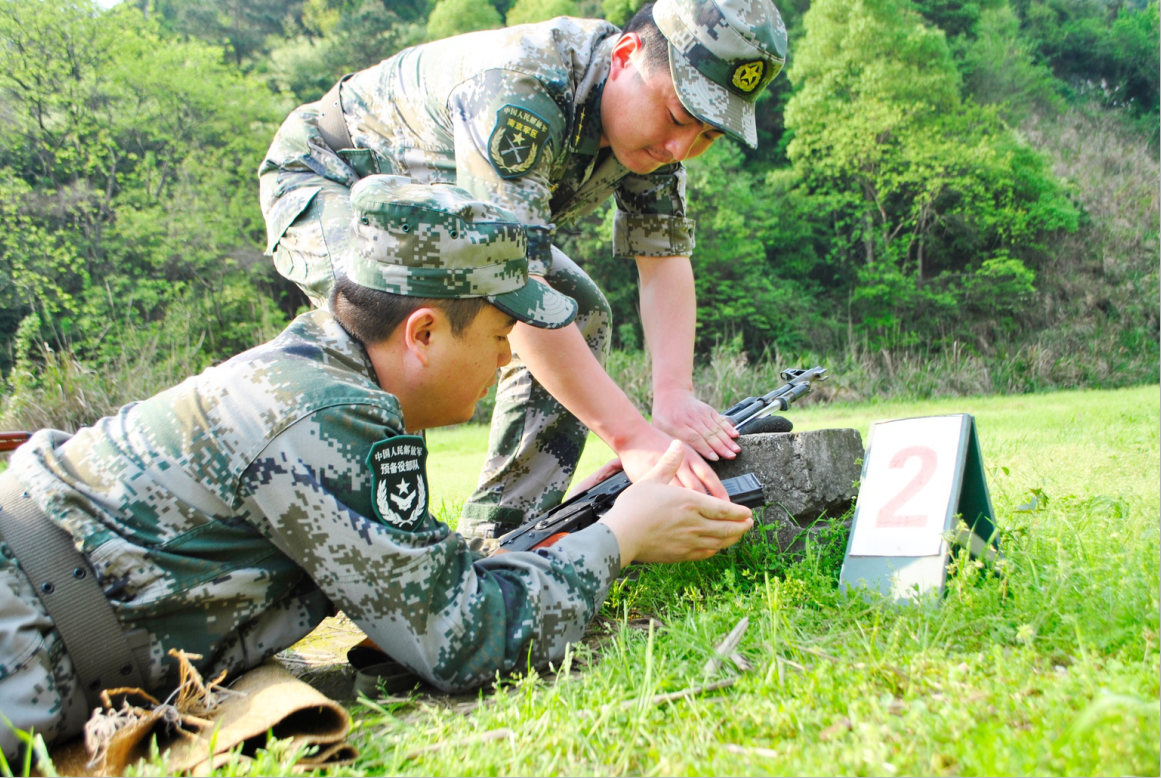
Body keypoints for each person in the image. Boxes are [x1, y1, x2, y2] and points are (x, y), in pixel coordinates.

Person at [0, 177, 754, 762]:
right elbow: (463, 638)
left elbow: (430, 579)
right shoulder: (326, 414)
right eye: (498, 338)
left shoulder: (322, 380)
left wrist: (585, 518)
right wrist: (621, 536)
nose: (504, 364)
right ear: (423, 333)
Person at [258, 0, 788, 543]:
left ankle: (503, 543)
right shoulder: (523, 88)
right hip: (330, 176)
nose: (681, 146)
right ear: (627, 56)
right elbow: (512, 286)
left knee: (575, 314)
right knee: (404, 329)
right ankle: (389, 555)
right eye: (677, 117)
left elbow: (664, 260)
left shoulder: (654, 136)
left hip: (442, 212)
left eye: (707, 136)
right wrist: (632, 438)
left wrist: (672, 396)